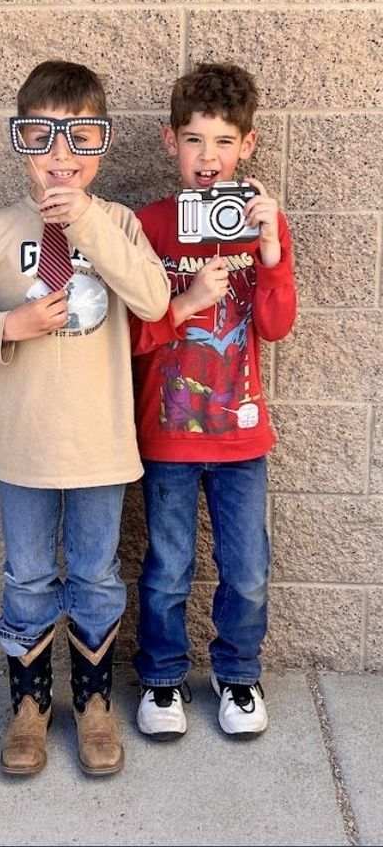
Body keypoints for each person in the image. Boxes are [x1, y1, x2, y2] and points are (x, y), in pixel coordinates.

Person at [0, 61, 170, 778]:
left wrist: (85, 218)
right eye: (42, 137)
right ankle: (29, 707)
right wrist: (9, 325)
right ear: (21, 141)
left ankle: (94, 704)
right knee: (29, 578)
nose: (61, 155)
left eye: (79, 139)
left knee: (96, 576)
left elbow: (153, 299)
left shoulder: (117, 222)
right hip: (24, 447)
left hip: (100, 444)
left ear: (101, 145)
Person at [130, 62, 297, 739]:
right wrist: (190, 298)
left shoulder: (260, 224)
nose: (209, 157)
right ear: (170, 141)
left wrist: (271, 247)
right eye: (195, 140)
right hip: (168, 433)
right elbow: (130, 336)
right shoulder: (146, 225)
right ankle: (162, 677)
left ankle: (238, 673)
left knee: (248, 569)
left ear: (247, 146)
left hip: (240, 436)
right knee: (167, 569)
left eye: (225, 141)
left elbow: (276, 325)